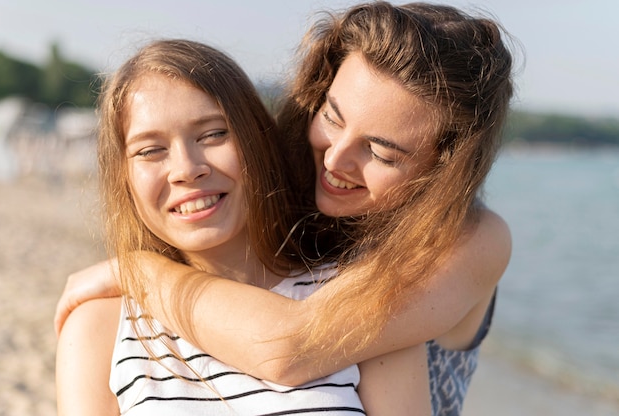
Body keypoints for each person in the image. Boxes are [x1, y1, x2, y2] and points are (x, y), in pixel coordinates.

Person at [55, 2, 515, 414]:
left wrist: (139, 270)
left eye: (382, 152)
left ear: (445, 169)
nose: (334, 160)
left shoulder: (473, 239)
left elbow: (291, 347)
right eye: (332, 116)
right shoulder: (295, 189)